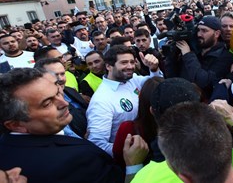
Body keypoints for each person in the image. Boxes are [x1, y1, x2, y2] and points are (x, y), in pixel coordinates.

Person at [0, 68, 147, 182]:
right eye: (47, 103)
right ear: (15, 124)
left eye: (58, 93)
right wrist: (133, 165)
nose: (64, 103)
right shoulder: (78, 160)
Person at [86, 45, 162, 156]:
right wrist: (129, 151)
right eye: (124, 62)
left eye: (132, 62)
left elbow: (155, 85)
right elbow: (97, 144)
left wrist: (154, 69)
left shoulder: (132, 79)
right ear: (108, 66)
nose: (130, 66)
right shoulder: (101, 101)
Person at [164, 15, 233, 99]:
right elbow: (171, 76)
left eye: (204, 31)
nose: (199, 34)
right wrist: (173, 55)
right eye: (198, 30)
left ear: (216, 34)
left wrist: (188, 55)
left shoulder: (225, 56)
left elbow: (204, 82)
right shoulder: (193, 50)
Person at [34, 58, 88, 137]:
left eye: (62, 74)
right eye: (55, 75)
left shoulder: (71, 91)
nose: (61, 79)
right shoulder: (41, 107)